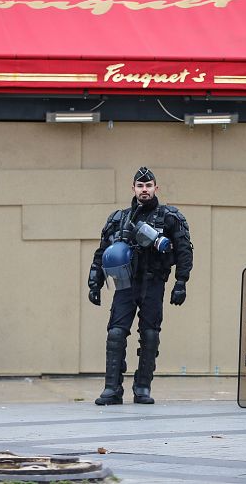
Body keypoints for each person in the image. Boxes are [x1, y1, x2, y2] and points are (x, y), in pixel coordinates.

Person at [87, 167, 193, 405]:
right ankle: (112, 389)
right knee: (115, 333)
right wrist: (95, 282)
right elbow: (103, 251)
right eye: (140, 186)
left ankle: (142, 387)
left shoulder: (170, 217)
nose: (144, 190)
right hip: (125, 283)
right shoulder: (119, 218)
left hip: (153, 282)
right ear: (133, 188)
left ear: (156, 188)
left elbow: (184, 251)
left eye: (148, 186)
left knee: (150, 335)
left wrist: (181, 282)